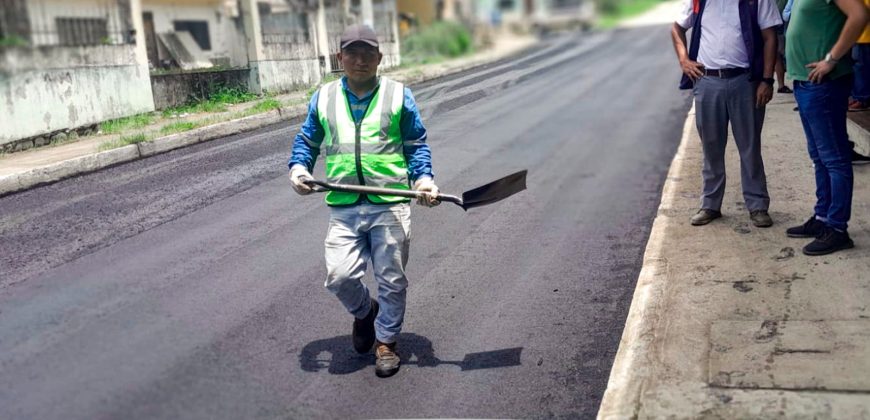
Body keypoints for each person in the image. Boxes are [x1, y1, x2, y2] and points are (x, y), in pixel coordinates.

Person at [287, 24, 440, 377]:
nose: (360, 60)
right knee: (339, 276)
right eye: (352, 53)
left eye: (368, 53)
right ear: (340, 58)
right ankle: (364, 312)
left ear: (379, 58)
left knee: (392, 279)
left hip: (390, 200)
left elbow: (416, 144)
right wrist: (298, 170)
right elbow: (307, 142)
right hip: (344, 203)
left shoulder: (398, 94)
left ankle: (386, 342)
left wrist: (424, 180)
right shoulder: (323, 98)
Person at [671, 0, 782, 228]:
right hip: (708, 80)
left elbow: (771, 37)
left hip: (746, 81)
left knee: (749, 146)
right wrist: (684, 60)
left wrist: (767, 80)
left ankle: (758, 205)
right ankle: (710, 205)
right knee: (711, 147)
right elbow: (677, 27)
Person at [785, 0, 869, 255]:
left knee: (834, 159)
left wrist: (831, 58)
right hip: (806, 81)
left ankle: (837, 228)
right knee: (820, 157)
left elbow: (860, 14)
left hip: (824, 82)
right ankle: (823, 218)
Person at [848, 0, 870, 111]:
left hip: (863, 35)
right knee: (859, 66)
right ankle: (859, 97)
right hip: (859, 35)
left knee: (860, 67)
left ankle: (862, 99)